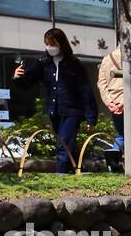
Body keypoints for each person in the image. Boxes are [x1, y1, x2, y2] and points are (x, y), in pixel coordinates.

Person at [13, 28, 98, 174]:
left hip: (72, 111)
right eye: (47, 44)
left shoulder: (74, 64)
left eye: (52, 44)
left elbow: (85, 90)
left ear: (61, 43)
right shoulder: (44, 63)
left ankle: (61, 176)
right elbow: (27, 81)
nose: (49, 47)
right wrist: (17, 77)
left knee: (63, 144)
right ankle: (80, 170)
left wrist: (91, 117)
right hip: (54, 110)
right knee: (67, 145)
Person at [97, 45, 126, 149]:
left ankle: (114, 157)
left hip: (114, 103)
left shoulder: (107, 58)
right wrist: (124, 102)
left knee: (121, 133)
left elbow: (101, 83)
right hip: (129, 102)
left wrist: (110, 102)